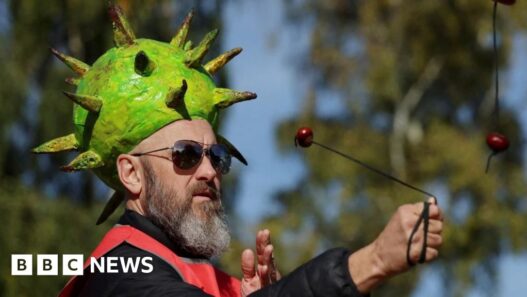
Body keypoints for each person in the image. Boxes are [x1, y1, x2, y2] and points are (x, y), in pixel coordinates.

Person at [34, 4, 444, 297]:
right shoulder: (120, 279)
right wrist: (369, 263)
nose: (210, 171)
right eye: (186, 154)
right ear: (131, 174)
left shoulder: (187, 274)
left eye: (217, 156)